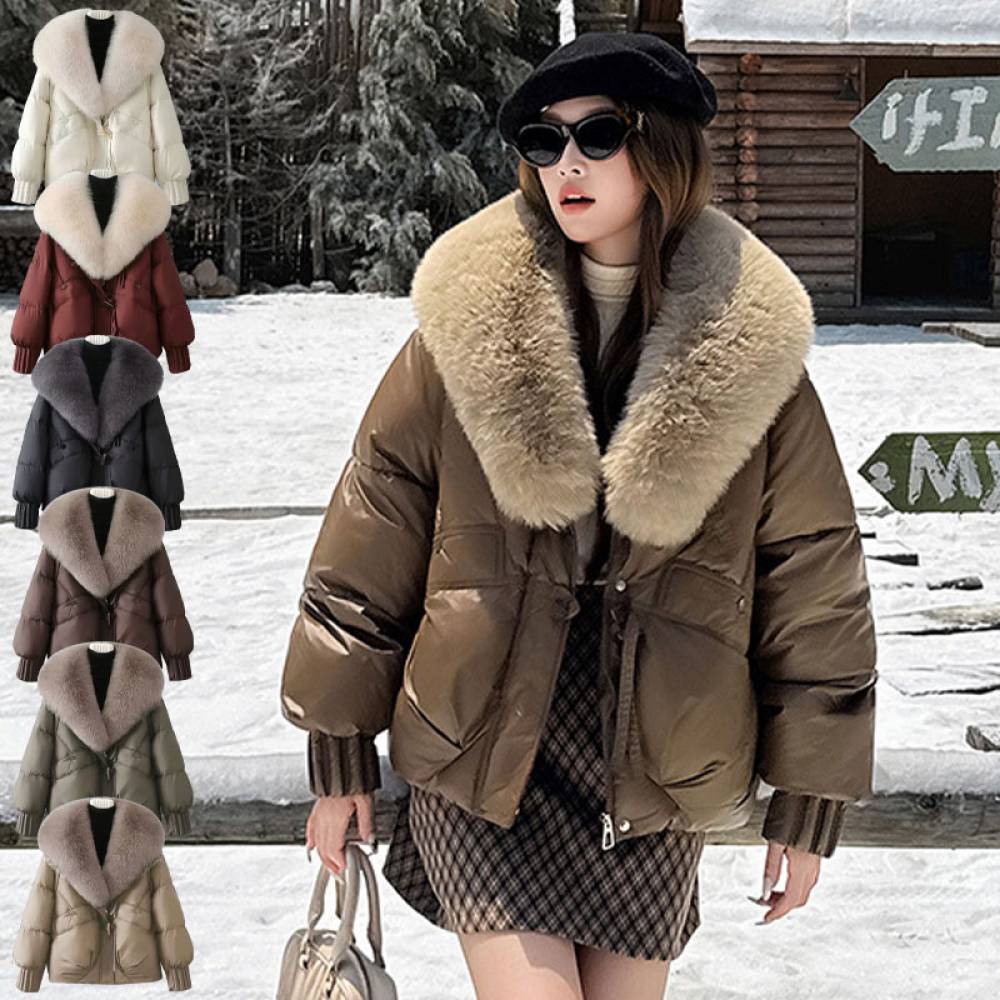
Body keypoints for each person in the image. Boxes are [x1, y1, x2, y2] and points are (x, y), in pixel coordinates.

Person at [280, 31, 878, 1000]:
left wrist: (811, 792)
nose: (566, 163)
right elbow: (371, 533)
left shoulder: (750, 349)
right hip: (485, 746)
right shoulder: (464, 327)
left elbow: (812, 576)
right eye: (544, 139)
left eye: (598, 135)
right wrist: (339, 745)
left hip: (653, 768)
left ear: (664, 148)